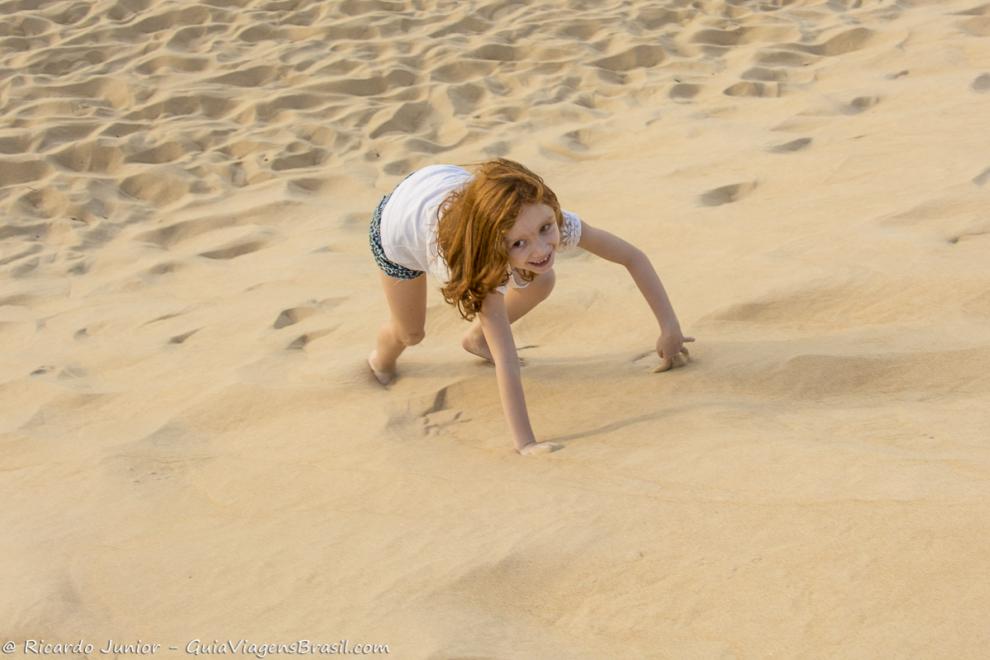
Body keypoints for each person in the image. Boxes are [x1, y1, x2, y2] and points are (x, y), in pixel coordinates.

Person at [367, 158, 694, 455]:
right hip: (396, 225)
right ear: (496, 243)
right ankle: (379, 362)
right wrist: (525, 442)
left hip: (437, 185)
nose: (541, 248)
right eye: (519, 243)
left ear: (551, 210)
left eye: (545, 228)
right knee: (411, 332)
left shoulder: (542, 218)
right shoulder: (481, 260)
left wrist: (670, 328)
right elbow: (506, 358)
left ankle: (475, 340)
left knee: (543, 278)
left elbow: (632, 257)